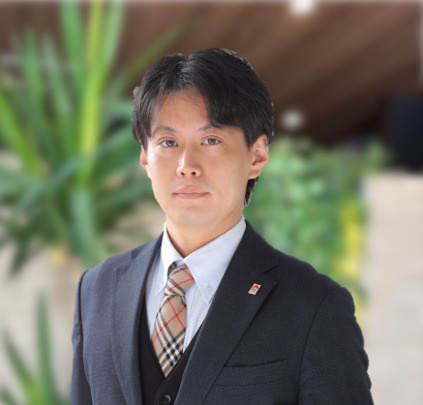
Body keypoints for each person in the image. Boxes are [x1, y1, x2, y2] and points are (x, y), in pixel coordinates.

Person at [71, 48, 373, 405]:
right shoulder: (97, 290)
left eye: (211, 140)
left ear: (257, 156)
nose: (186, 165)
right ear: (145, 157)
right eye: (168, 142)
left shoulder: (314, 307)